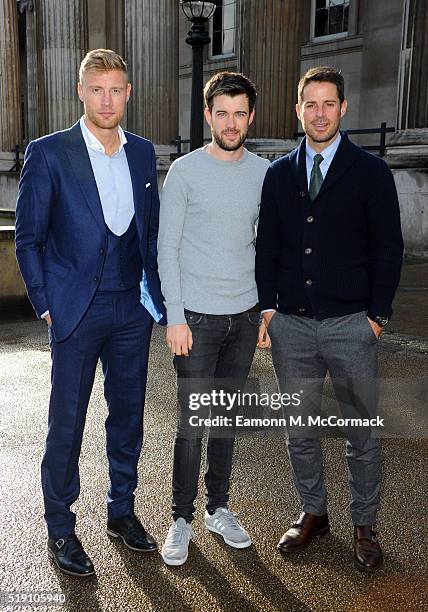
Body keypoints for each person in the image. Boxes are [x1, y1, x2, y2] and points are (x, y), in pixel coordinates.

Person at [15, 49, 165, 577]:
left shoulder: (144, 155)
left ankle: (121, 512)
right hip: (75, 310)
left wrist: (154, 298)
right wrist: (46, 304)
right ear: (81, 91)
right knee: (67, 422)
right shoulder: (50, 153)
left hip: (131, 308)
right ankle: (61, 525)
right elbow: (28, 238)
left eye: (117, 89)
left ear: (128, 92)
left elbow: (149, 231)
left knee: (128, 417)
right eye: (97, 89)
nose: (108, 99)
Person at [255, 66, 403, 572]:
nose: (319, 113)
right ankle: (314, 513)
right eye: (310, 104)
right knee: (301, 428)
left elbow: (389, 250)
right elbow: (268, 247)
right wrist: (268, 309)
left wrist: (376, 317)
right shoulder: (278, 175)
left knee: (361, 431)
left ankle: (365, 523)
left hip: (351, 324)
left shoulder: (371, 173)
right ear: (298, 110)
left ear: (344, 108)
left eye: (328, 103)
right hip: (291, 325)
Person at [157, 71, 270, 566]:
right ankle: (181, 516)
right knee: (192, 423)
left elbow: (269, 248)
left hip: (244, 317)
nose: (230, 122)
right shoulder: (183, 172)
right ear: (208, 115)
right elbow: (167, 248)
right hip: (197, 321)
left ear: (250, 116)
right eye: (221, 113)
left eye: (239, 113)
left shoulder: (266, 173)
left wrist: (266, 310)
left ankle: (218, 507)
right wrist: (175, 318)